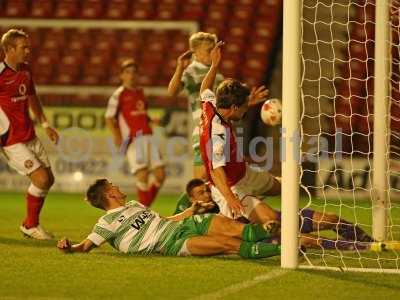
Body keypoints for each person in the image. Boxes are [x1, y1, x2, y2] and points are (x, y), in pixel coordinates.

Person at [57, 179, 281, 259]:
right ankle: (284, 250)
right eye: (112, 186)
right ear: (110, 194)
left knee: (233, 227)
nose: (116, 186)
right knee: (228, 244)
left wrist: (189, 212)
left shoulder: (134, 204)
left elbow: (163, 219)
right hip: (171, 244)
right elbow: (85, 247)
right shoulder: (105, 223)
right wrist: (69, 248)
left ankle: (267, 232)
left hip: (184, 225)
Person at [168, 32, 268, 208]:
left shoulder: (217, 74)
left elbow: (225, 105)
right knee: (200, 181)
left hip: (222, 129)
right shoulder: (192, 71)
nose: (212, 53)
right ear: (195, 52)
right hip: (205, 130)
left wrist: (246, 102)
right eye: (208, 50)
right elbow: (172, 91)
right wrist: (179, 68)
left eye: (214, 49)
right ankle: (181, 213)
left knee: (223, 173)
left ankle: (224, 206)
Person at [198, 41, 281, 223]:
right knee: (259, 225)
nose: (246, 110)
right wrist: (230, 198)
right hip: (230, 186)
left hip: (244, 172)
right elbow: (215, 171)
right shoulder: (218, 134)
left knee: (284, 186)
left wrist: (214, 65)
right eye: (244, 107)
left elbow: (204, 88)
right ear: (234, 107)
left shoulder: (211, 104)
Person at [182, 179, 374, 249]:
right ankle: (359, 248)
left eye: (206, 190)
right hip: (259, 234)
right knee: (307, 241)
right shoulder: (198, 217)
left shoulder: (221, 191)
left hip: (276, 217)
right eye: (201, 193)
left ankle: (368, 240)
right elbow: (175, 221)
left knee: (330, 219)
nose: (206, 195)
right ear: (191, 199)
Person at [0, 29, 59, 240]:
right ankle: (30, 225)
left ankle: (29, 225)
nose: (28, 50)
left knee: (49, 179)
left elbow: (32, 97)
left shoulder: (25, 70)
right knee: (41, 179)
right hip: (11, 140)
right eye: (23, 47)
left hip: (30, 135)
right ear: (9, 50)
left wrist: (45, 123)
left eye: (28, 46)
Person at [105, 59, 165, 207]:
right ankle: (144, 211)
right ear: (121, 76)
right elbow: (108, 117)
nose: (131, 75)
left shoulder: (141, 92)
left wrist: (151, 120)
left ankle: (143, 209)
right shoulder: (118, 94)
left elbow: (141, 114)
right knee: (142, 174)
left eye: (134, 72)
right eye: (127, 72)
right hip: (132, 139)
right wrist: (117, 136)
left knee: (160, 175)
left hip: (148, 136)